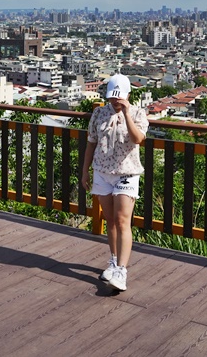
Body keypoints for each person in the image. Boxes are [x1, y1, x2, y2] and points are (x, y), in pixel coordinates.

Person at [80, 73, 148, 292]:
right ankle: (113, 259)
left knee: (122, 220)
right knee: (110, 220)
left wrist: (127, 113)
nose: (115, 101)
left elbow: (138, 139)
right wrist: (85, 171)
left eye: (118, 98)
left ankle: (121, 270)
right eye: (112, 98)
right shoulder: (99, 113)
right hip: (102, 171)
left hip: (127, 171)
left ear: (128, 95)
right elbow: (91, 143)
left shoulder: (138, 113)